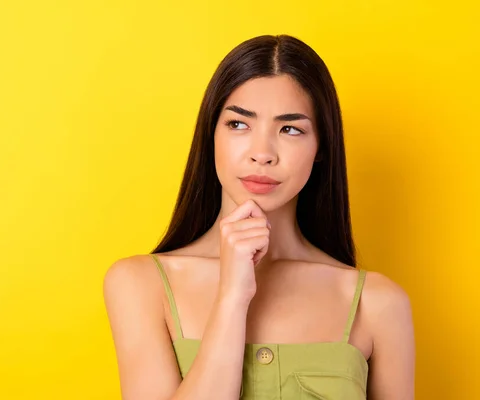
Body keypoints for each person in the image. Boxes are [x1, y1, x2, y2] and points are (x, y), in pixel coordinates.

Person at [103, 34, 415, 400]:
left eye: (290, 129)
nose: (262, 153)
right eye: (238, 124)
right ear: (210, 134)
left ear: (320, 148)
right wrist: (233, 296)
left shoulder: (378, 303)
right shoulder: (140, 284)